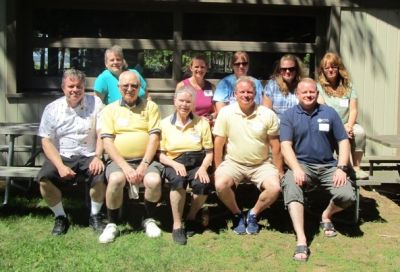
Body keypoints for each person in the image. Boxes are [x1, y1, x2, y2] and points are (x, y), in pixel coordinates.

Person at [280, 78, 356, 262]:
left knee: (347, 195)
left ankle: (326, 215)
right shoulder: (289, 115)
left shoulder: (329, 113)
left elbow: (343, 141)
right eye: (304, 92)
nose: (308, 95)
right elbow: (285, 146)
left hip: (329, 166)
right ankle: (301, 239)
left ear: (317, 93)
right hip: (302, 166)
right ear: (297, 94)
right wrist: (296, 169)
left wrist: (341, 168)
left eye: (311, 91)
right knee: (291, 185)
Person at [37, 69, 106, 235]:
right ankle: (60, 217)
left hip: (89, 154)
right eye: (71, 86)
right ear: (63, 88)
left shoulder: (96, 103)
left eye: (79, 86)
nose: (75, 90)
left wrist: (98, 156)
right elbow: (46, 140)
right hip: (63, 155)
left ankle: (95, 215)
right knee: (44, 179)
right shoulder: (52, 109)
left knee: (100, 175)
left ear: (84, 88)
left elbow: (102, 134)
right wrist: (59, 166)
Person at [213, 76, 284, 235]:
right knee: (220, 184)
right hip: (233, 163)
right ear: (235, 94)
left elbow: (275, 145)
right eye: (242, 92)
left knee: (275, 188)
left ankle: (253, 214)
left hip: (261, 164)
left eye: (250, 92)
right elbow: (219, 143)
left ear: (256, 93)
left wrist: (279, 171)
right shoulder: (225, 112)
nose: (246, 95)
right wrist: (218, 168)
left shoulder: (267, 114)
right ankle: (237, 214)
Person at [98, 70, 163, 243]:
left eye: (134, 85)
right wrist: (126, 168)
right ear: (118, 87)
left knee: (154, 181)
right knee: (116, 179)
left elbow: (154, 138)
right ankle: (112, 224)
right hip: (119, 161)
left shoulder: (151, 107)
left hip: (145, 160)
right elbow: (107, 142)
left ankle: (148, 219)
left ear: (139, 87)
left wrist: (143, 165)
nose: (129, 89)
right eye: (125, 85)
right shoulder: (110, 110)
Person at [159, 87, 213, 245]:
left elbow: (209, 152)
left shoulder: (202, 123)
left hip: (197, 162)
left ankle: (190, 217)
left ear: (193, 104)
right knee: (178, 181)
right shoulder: (164, 124)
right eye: (181, 101)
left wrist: (203, 168)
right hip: (173, 161)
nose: (184, 104)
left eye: (188, 101)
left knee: (203, 184)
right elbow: (160, 154)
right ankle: (177, 224)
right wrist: (174, 164)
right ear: (174, 102)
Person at [317, 52, 368, 179]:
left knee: (360, 132)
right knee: (340, 135)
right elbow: (322, 110)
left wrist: (349, 126)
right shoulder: (319, 87)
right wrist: (339, 128)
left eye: (333, 66)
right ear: (323, 70)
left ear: (339, 68)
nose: (330, 70)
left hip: (347, 123)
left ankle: (356, 167)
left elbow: (353, 110)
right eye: (327, 67)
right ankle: (347, 167)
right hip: (328, 124)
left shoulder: (349, 86)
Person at [263, 54, 305, 119]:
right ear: (280, 70)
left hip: (298, 124)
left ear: (297, 70)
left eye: (291, 69)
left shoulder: (303, 85)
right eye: (284, 69)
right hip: (277, 125)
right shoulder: (272, 86)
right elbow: (266, 112)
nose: (287, 71)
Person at [176, 54, 216, 121]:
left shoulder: (211, 87)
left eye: (202, 67)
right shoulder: (182, 85)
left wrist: (210, 117)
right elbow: (178, 109)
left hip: (207, 124)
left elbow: (215, 110)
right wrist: (198, 119)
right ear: (191, 68)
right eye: (196, 67)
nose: (199, 69)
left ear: (206, 69)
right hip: (188, 124)